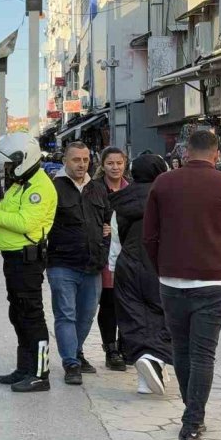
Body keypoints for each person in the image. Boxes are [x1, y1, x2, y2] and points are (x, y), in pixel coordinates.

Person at [144, 130, 221, 440]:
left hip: (171, 282)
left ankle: (193, 415)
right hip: (213, 283)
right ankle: (191, 426)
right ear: (216, 154)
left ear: (186, 152)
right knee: (204, 355)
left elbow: (149, 236)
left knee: (182, 351)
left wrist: (163, 265)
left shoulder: (164, 183)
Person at [0, 132, 58, 392]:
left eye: (10, 163)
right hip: (13, 259)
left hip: (27, 260)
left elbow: (25, 222)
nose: (7, 168)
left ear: (23, 159)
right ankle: (24, 368)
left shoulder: (39, 186)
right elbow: (7, 209)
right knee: (18, 314)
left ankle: (40, 374)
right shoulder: (21, 182)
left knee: (31, 316)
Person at [46, 142, 111, 386]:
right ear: (65, 160)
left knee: (85, 317)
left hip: (93, 265)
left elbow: (107, 224)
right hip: (62, 263)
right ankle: (71, 362)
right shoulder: (54, 188)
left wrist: (103, 252)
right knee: (66, 314)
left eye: (85, 159)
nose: (82, 164)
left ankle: (76, 351)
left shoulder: (97, 189)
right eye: (76, 160)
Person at [110, 154, 173, 395]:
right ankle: (156, 360)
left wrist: (114, 269)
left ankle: (144, 378)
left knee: (134, 318)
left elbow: (115, 238)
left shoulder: (121, 200)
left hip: (128, 263)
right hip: (160, 264)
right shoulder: (168, 197)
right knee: (161, 315)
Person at [93, 147, 129, 371]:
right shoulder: (95, 190)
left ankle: (126, 346)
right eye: (110, 163)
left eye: (119, 163)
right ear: (103, 165)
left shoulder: (131, 189)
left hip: (128, 255)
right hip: (105, 254)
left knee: (127, 303)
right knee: (108, 304)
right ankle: (111, 348)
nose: (115, 167)